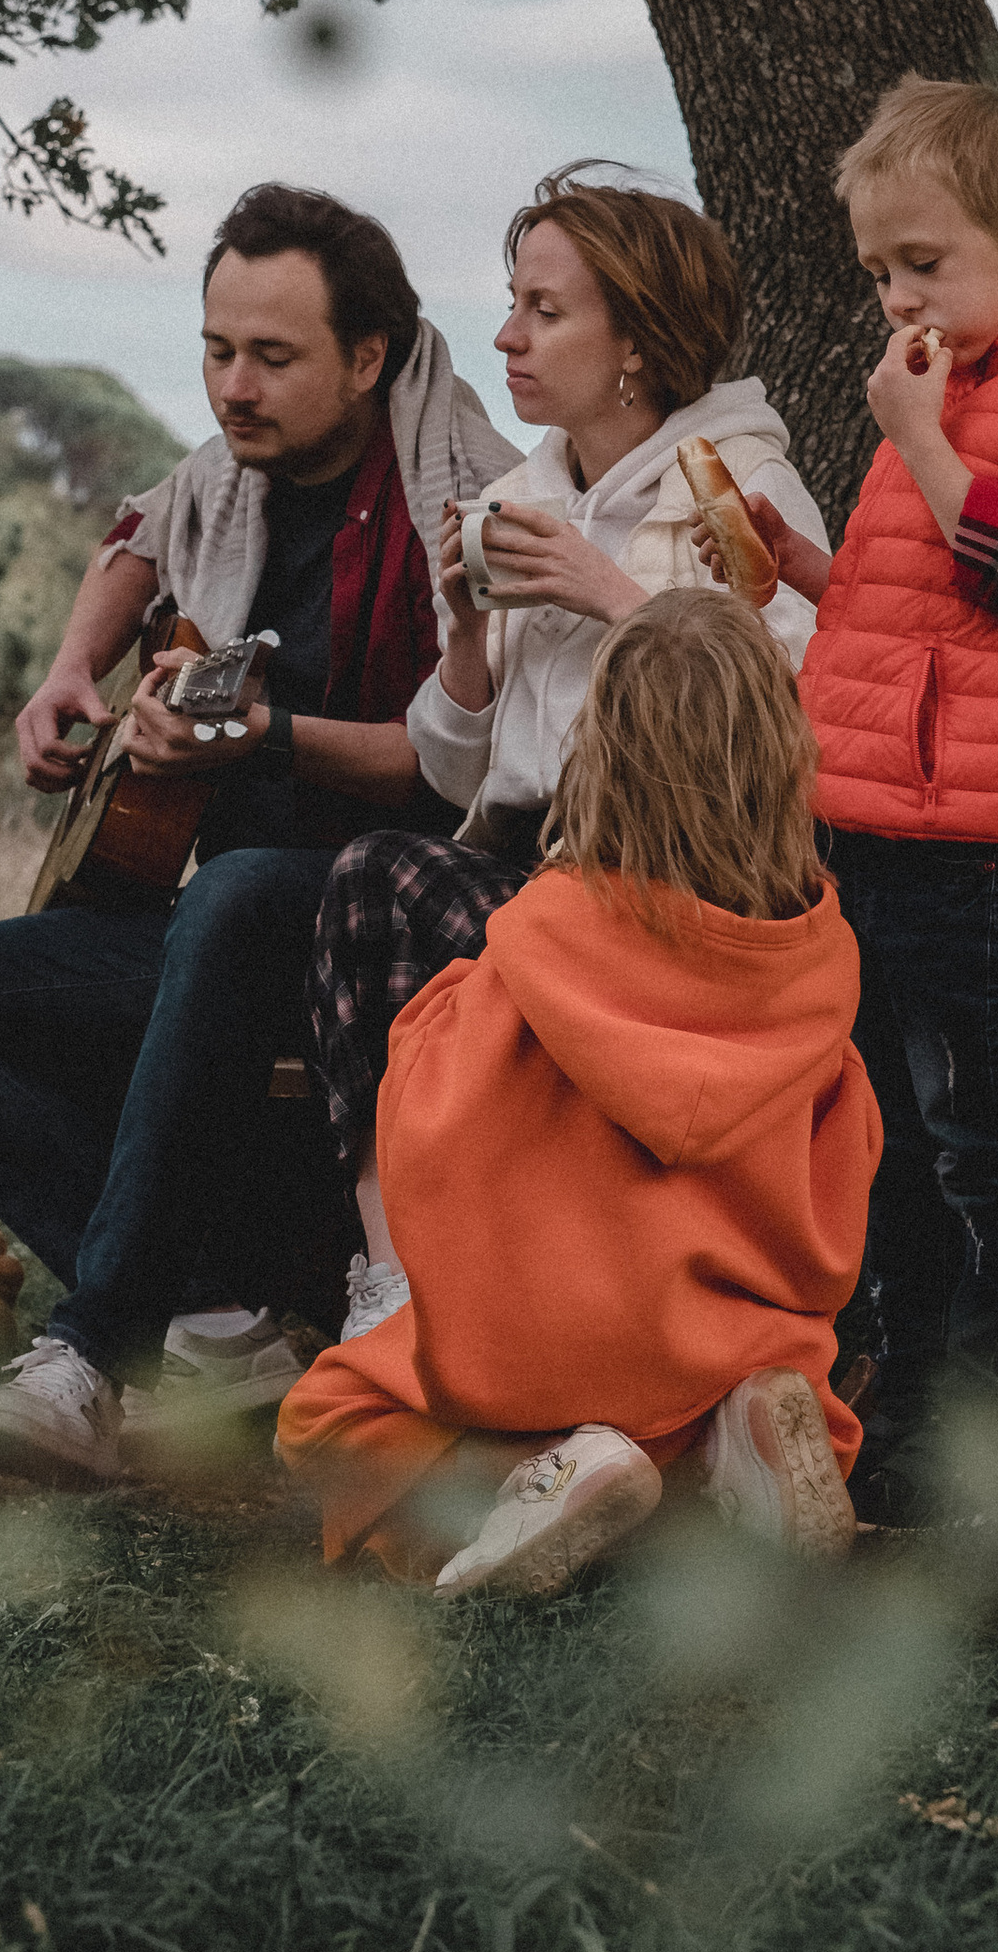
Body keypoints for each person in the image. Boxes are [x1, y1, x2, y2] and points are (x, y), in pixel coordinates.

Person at [0, 183, 509, 1486]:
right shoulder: (226, 481)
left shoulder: (462, 503)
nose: (233, 385)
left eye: (273, 355)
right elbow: (138, 532)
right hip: (218, 931)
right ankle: (214, 1316)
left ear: (368, 357)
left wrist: (261, 741)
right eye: (217, 349)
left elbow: (448, 772)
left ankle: (94, 1341)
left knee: (246, 886)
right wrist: (67, 673)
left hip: (383, 940)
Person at [713, 76, 998, 1527]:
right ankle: (898, 1429)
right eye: (881, 271)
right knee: (884, 1143)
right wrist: (800, 557)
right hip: (874, 827)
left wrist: (915, 440)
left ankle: (993, 1456)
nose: (898, 295)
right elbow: (915, 607)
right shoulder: (954, 389)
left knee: (988, 1151)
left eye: (927, 262)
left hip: (986, 853)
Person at [304, 165, 830, 1335]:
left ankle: (515, 1304)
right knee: (375, 889)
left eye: (546, 311)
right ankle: (392, 1281)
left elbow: (798, 723)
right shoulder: (525, 491)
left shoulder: (740, 487)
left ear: (637, 340)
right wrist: (467, 638)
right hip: (543, 883)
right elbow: (453, 773)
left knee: (396, 903)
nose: (505, 335)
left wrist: (614, 597)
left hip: (681, 904)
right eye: (512, 302)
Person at [276, 591, 880, 1598]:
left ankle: (544, 1466)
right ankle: (722, 1453)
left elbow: (433, 1138)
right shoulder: (815, 974)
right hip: (720, 1347)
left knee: (329, 1424)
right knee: (730, 1393)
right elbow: (838, 1196)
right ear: (783, 756)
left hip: (539, 1350)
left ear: (599, 751)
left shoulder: (537, 943)